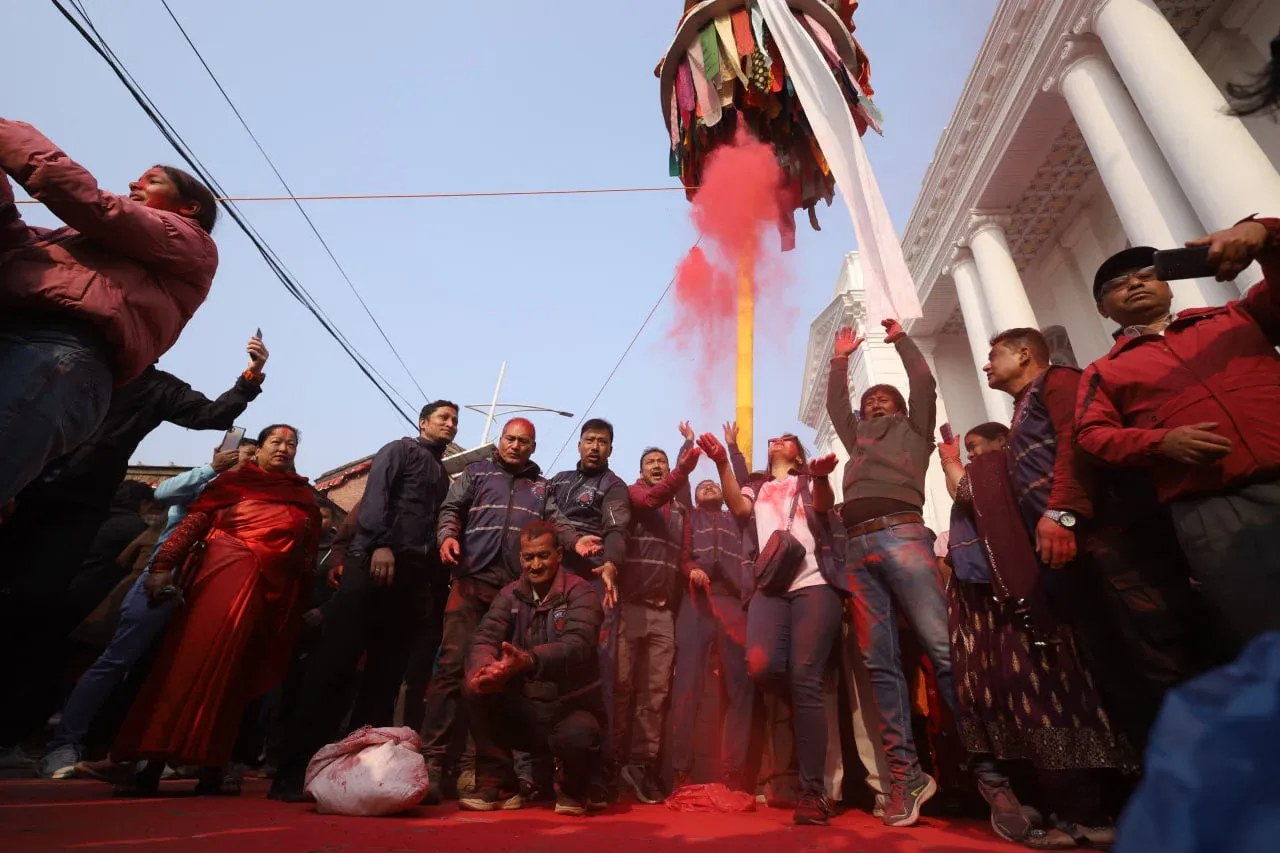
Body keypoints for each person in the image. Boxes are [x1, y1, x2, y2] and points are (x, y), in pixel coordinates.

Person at [826, 318, 1027, 836]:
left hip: (903, 535)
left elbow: (923, 382)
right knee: (879, 662)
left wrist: (900, 340)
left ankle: (991, 777)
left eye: (884, 398)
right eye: (869, 400)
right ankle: (905, 776)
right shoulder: (857, 437)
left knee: (943, 652)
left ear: (900, 408)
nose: (875, 403)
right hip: (857, 548)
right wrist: (840, 360)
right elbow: (835, 405)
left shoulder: (913, 431)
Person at [0, 337, 268, 704]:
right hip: (25, 477)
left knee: (35, 597)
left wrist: (250, 376)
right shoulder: (75, 360)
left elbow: (213, 415)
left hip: (83, 500)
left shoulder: (157, 386)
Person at [1076, 217, 1280, 649]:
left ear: (1168, 286)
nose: (1135, 283)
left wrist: (1267, 235)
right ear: (1102, 309)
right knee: (1266, 629)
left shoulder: (1235, 317)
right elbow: (1092, 435)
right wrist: (1160, 443)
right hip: (1213, 508)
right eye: (1117, 284)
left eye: (1147, 274)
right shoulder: (1104, 371)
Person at [0, 118, 219, 506]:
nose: (134, 184)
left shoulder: (188, 240)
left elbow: (93, 205)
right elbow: (15, 241)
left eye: (151, 181)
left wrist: (6, 133)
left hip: (58, 351)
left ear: (189, 208)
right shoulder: (82, 241)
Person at [939, 415, 1134, 850]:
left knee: (1047, 697)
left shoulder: (1004, 466)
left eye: (978, 448)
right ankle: (1058, 808)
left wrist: (952, 463)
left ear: (1003, 442)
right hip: (999, 602)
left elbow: (967, 491)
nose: (974, 458)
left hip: (1025, 601)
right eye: (969, 452)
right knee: (1021, 702)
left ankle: (1086, 815)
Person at [111, 425, 319, 796]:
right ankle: (149, 763)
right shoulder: (231, 484)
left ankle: (213, 767)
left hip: (267, 599)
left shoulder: (303, 496)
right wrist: (162, 566)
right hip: (218, 581)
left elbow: (306, 555)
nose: (284, 449)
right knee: (186, 664)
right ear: (258, 449)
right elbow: (192, 524)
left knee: (236, 678)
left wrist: (300, 595)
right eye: (276, 442)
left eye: (291, 445)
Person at [270, 402, 460, 801]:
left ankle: (354, 774)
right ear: (423, 422)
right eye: (443, 418)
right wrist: (380, 545)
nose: (450, 424)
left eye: (455, 420)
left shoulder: (442, 474)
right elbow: (377, 498)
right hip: (373, 565)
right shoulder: (399, 450)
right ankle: (294, 771)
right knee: (333, 667)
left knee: (383, 680)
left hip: (411, 581)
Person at [36, 441, 258, 779]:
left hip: (210, 590)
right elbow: (163, 493)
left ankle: (149, 752)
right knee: (116, 660)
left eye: (257, 455)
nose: (252, 459)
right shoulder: (206, 484)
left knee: (175, 671)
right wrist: (212, 469)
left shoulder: (256, 499)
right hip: (163, 579)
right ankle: (64, 745)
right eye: (246, 452)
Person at [420, 418, 601, 805]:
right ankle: (435, 765)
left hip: (513, 594)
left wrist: (577, 542)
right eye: (510, 438)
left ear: (533, 447)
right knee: (454, 672)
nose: (516, 445)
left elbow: (557, 524)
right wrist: (447, 536)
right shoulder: (476, 472)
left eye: (524, 441)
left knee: (508, 677)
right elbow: (451, 509)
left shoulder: (542, 487)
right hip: (471, 584)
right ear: (499, 440)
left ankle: (498, 776)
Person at [700, 429, 843, 826]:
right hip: (770, 587)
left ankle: (813, 793)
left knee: (806, 678)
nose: (776, 441)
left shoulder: (809, 478)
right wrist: (722, 461)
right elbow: (738, 508)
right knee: (761, 666)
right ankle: (803, 699)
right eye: (773, 439)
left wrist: (821, 478)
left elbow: (824, 507)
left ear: (798, 454)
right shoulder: (757, 485)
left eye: (787, 438)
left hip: (815, 583)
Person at [463, 520, 607, 816]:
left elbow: (578, 644)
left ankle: (574, 788)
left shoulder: (582, 592)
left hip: (569, 708)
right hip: (527, 710)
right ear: (521, 558)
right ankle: (500, 785)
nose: (536, 565)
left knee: (579, 735)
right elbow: (484, 638)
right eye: (529, 557)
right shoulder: (509, 594)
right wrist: (486, 669)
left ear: (559, 554)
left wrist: (528, 660)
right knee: (476, 690)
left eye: (543, 556)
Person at [547, 418, 630, 800]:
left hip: (597, 581)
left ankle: (598, 773)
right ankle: (541, 771)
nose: (595, 447)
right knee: (547, 665)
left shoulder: (613, 486)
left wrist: (611, 563)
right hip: (554, 581)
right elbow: (542, 512)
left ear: (611, 449)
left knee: (598, 670)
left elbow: (616, 528)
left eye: (602, 442)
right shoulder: (559, 481)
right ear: (578, 444)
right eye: (589, 440)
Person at [614, 442, 700, 804]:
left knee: (655, 693)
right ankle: (610, 763)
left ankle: (641, 765)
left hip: (664, 613)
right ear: (641, 470)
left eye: (661, 462)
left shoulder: (680, 511)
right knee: (620, 687)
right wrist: (684, 469)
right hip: (629, 607)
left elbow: (683, 555)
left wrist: (692, 569)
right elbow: (651, 499)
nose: (657, 465)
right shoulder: (633, 494)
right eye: (650, 461)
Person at [668, 464, 754, 793]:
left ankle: (735, 771)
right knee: (687, 684)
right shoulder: (689, 516)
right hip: (696, 602)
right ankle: (681, 769)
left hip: (733, 603)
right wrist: (691, 568)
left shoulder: (739, 517)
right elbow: (682, 552)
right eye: (701, 485)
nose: (708, 486)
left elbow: (742, 484)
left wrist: (731, 451)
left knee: (740, 687)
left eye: (713, 484)